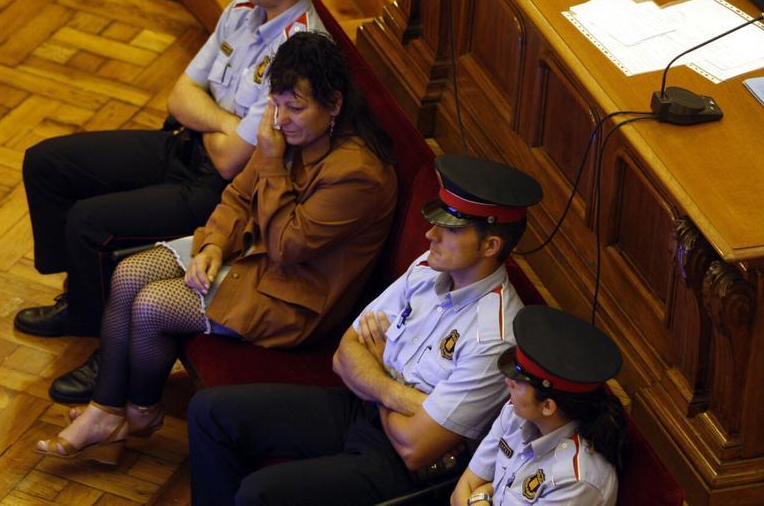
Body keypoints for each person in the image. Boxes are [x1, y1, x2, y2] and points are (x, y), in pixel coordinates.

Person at [15, 0, 342, 404]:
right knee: (47, 163)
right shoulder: (240, 10)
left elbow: (232, 161)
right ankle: (80, 303)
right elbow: (179, 97)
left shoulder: (298, 50)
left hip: (217, 187)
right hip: (183, 145)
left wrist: (206, 116)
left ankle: (107, 349)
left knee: (88, 222)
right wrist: (225, 122)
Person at [34, 31, 397, 463]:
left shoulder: (358, 174)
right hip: (252, 256)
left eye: (296, 108)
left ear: (334, 103)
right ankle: (106, 411)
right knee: (128, 274)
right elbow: (238, 196)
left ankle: (141, 412)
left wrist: (270, 161)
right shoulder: (292, 134)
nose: (281, 119)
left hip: (294, 297)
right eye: (277, 105)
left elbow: (286, 246)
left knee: (152, 305)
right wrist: (213, 246)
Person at [185, 154, 544, 506]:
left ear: (490, 246)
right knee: (210, 412)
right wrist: (397, 393)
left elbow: (416, 449)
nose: (430, 234)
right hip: (360, 407)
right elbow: (345, 353)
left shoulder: (494, 337)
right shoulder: (428, 267)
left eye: (450, 229)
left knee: (259, 493)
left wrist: (377, 373)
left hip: (398, 464)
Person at [451, 305, 625, 506]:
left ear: (547, 406)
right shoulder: (516, 413)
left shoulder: (576, 481)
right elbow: (460, 491)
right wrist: (482, 495)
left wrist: (482, 494)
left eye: (517, 382)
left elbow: (468, 493)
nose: (508, 381)